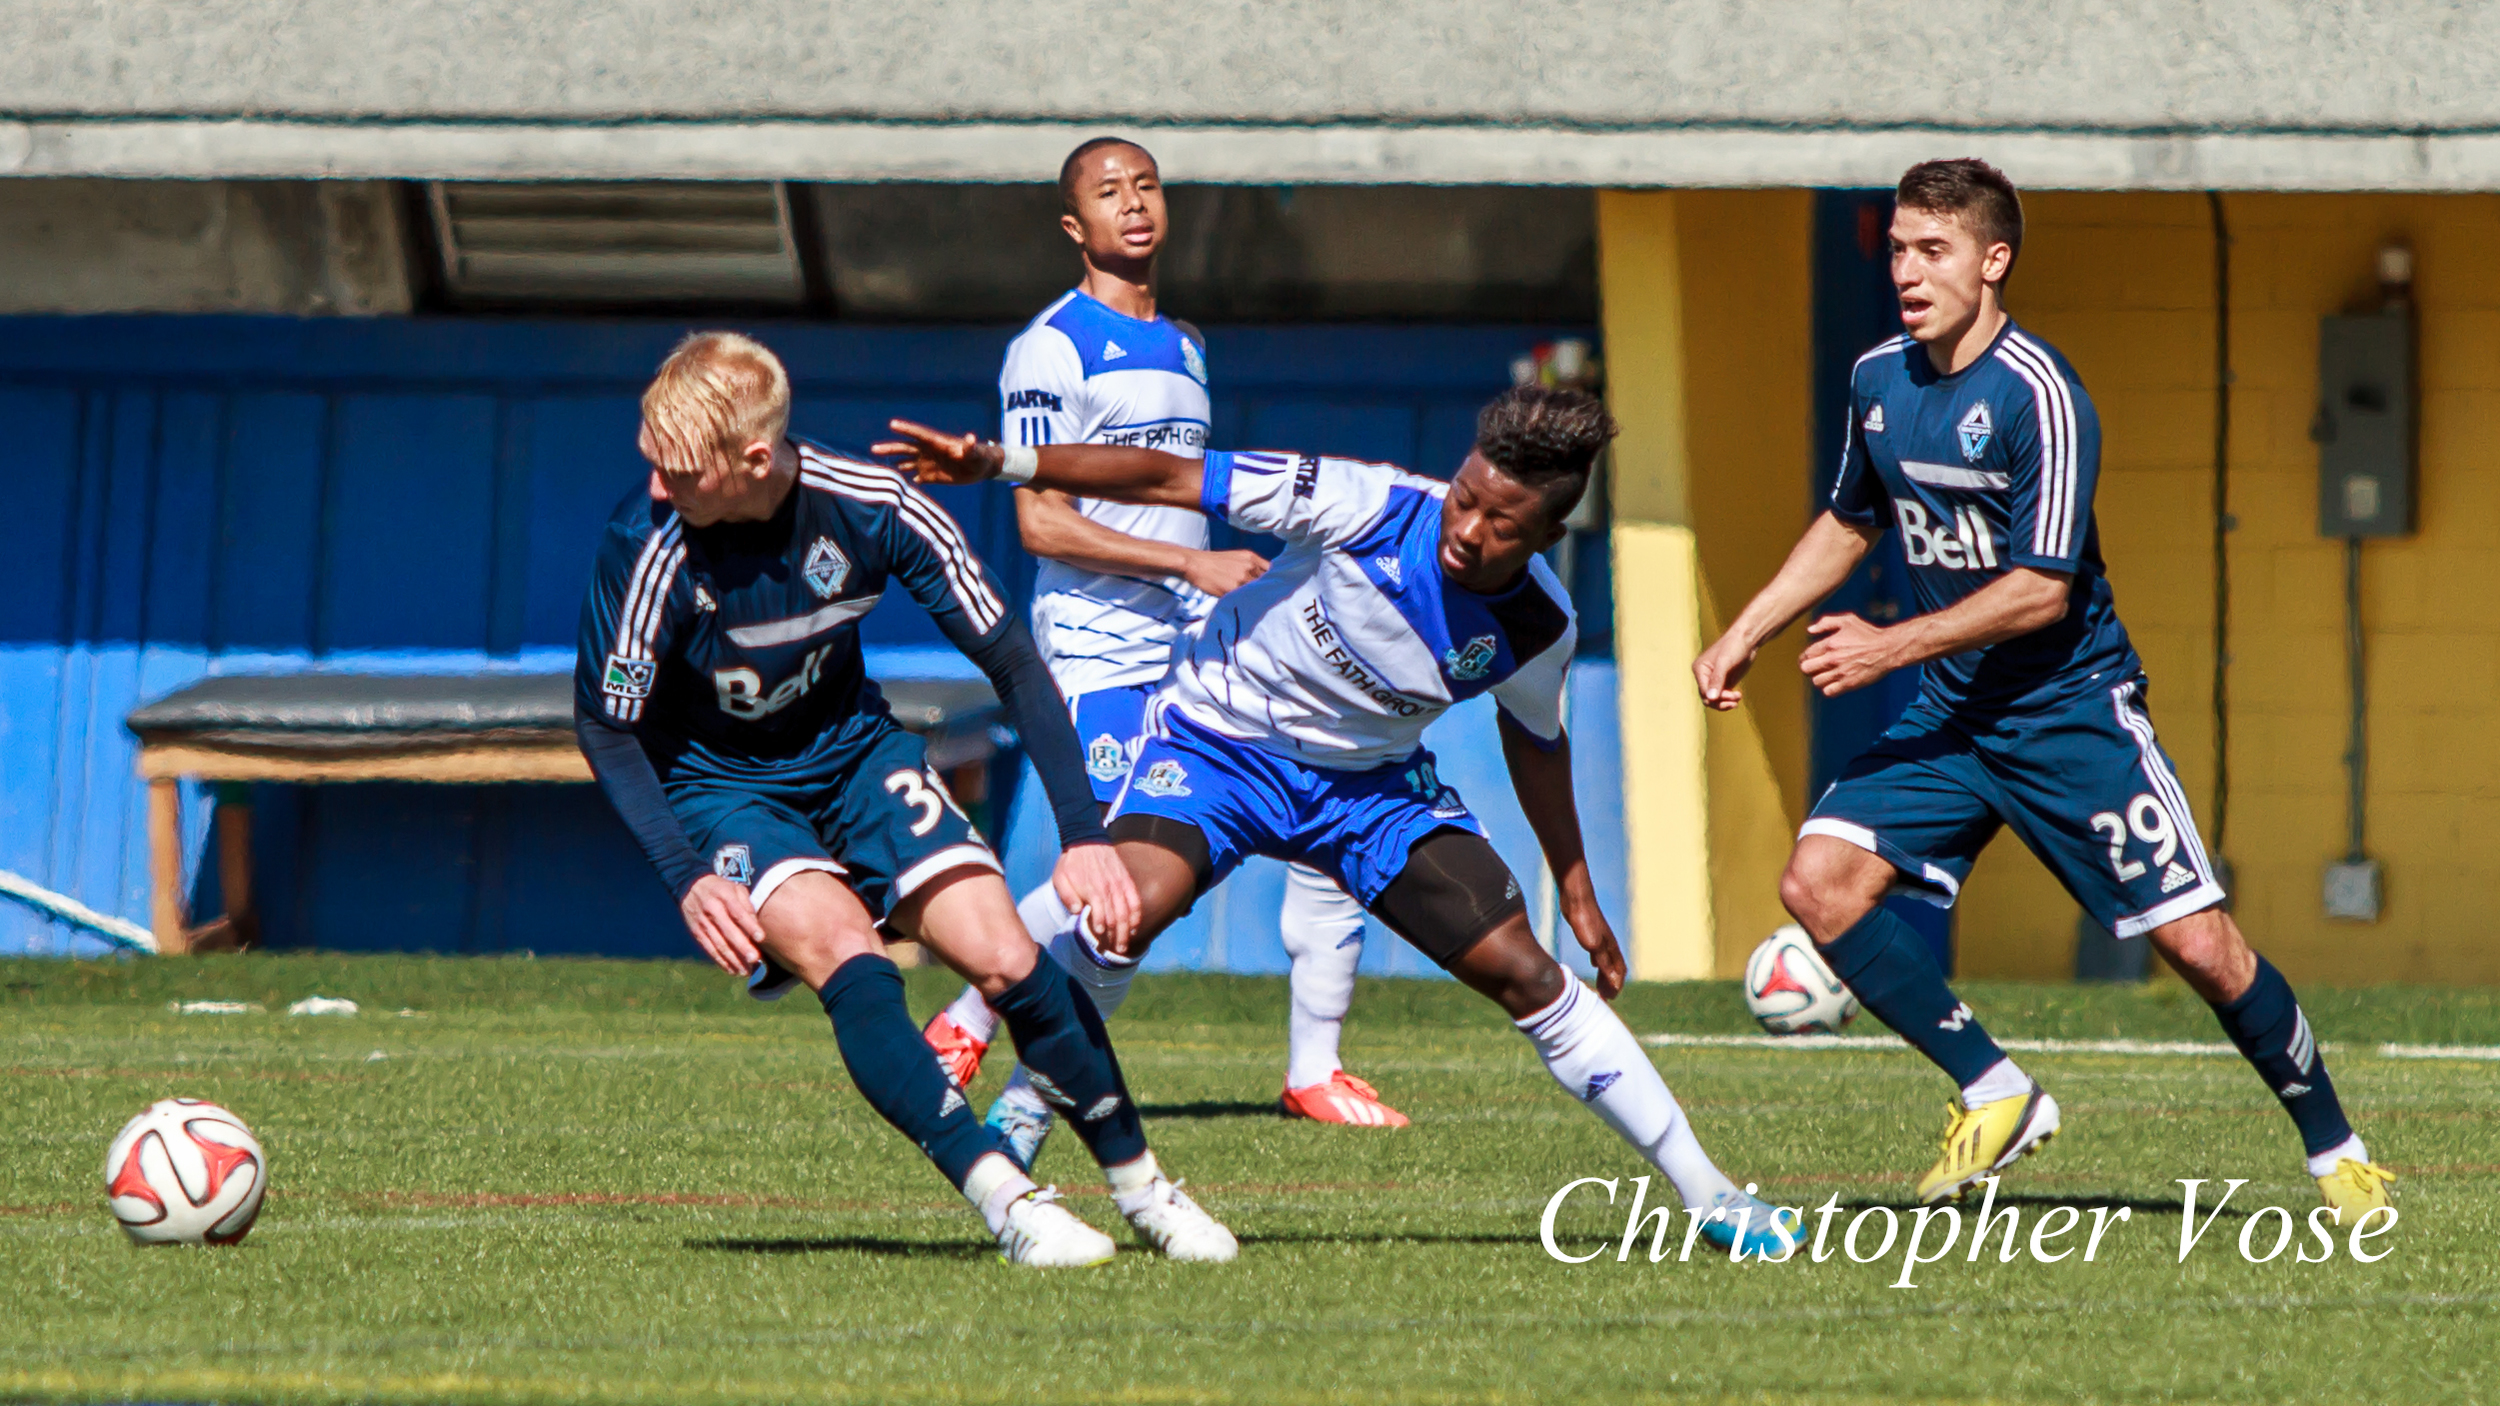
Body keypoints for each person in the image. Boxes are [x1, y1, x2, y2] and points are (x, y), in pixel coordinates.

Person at [879, 386, 1802, 1258]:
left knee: (1526, 972)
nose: (1468, 530)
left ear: (1550, 534)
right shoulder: (1364, 502)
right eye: (1467, 497)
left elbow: (1536, 740)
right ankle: (1026, 1117)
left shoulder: (1538, 626)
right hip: (1219, 744)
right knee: (1121, 912)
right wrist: (1003, 459)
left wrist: (1577, 885)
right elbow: (1171, 476)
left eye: (1501, 524)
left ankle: (1709, 1194)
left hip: (1370, 790)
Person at [1692, 159, 2393, 1215]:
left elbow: (2039, 588)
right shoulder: (1877, 379)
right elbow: (1849, 519)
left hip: (2070, 711)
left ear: (1993, 259)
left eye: (1933, 250)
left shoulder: (2040, 395)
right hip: (1955, 712)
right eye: (1895, 249)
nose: (1907, 271)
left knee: (2198, 945)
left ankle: (2336, 1151)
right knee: (1819, 883)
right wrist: (1744, 626)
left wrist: (1887, 646)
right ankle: (1995, 1088)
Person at [573, 330, 1238, 1265]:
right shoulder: (645, 547)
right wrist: (688, 878)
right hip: (724, 790)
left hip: (856, 756)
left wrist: (1084, 834)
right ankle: (1010, 1203)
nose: (654, 487)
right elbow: (607, 724)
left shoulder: (876, 508)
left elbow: (1010, 655)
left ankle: (1144, 1189)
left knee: (1007, 955)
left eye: (678, 471)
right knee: (847, 951)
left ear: (755, 459)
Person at [920, 134, 1405, 1168]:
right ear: (1073, 226)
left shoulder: (1185, 342)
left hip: (1193, 650)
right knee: (1114, 890)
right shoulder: (1050, 347)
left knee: (1325, 803)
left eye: (1145, 186)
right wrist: (1187, 568)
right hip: (1097, 650)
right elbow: (1043, 526)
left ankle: (1312, 1068)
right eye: (1108, 192)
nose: (1133, 205)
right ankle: (973, 1020)